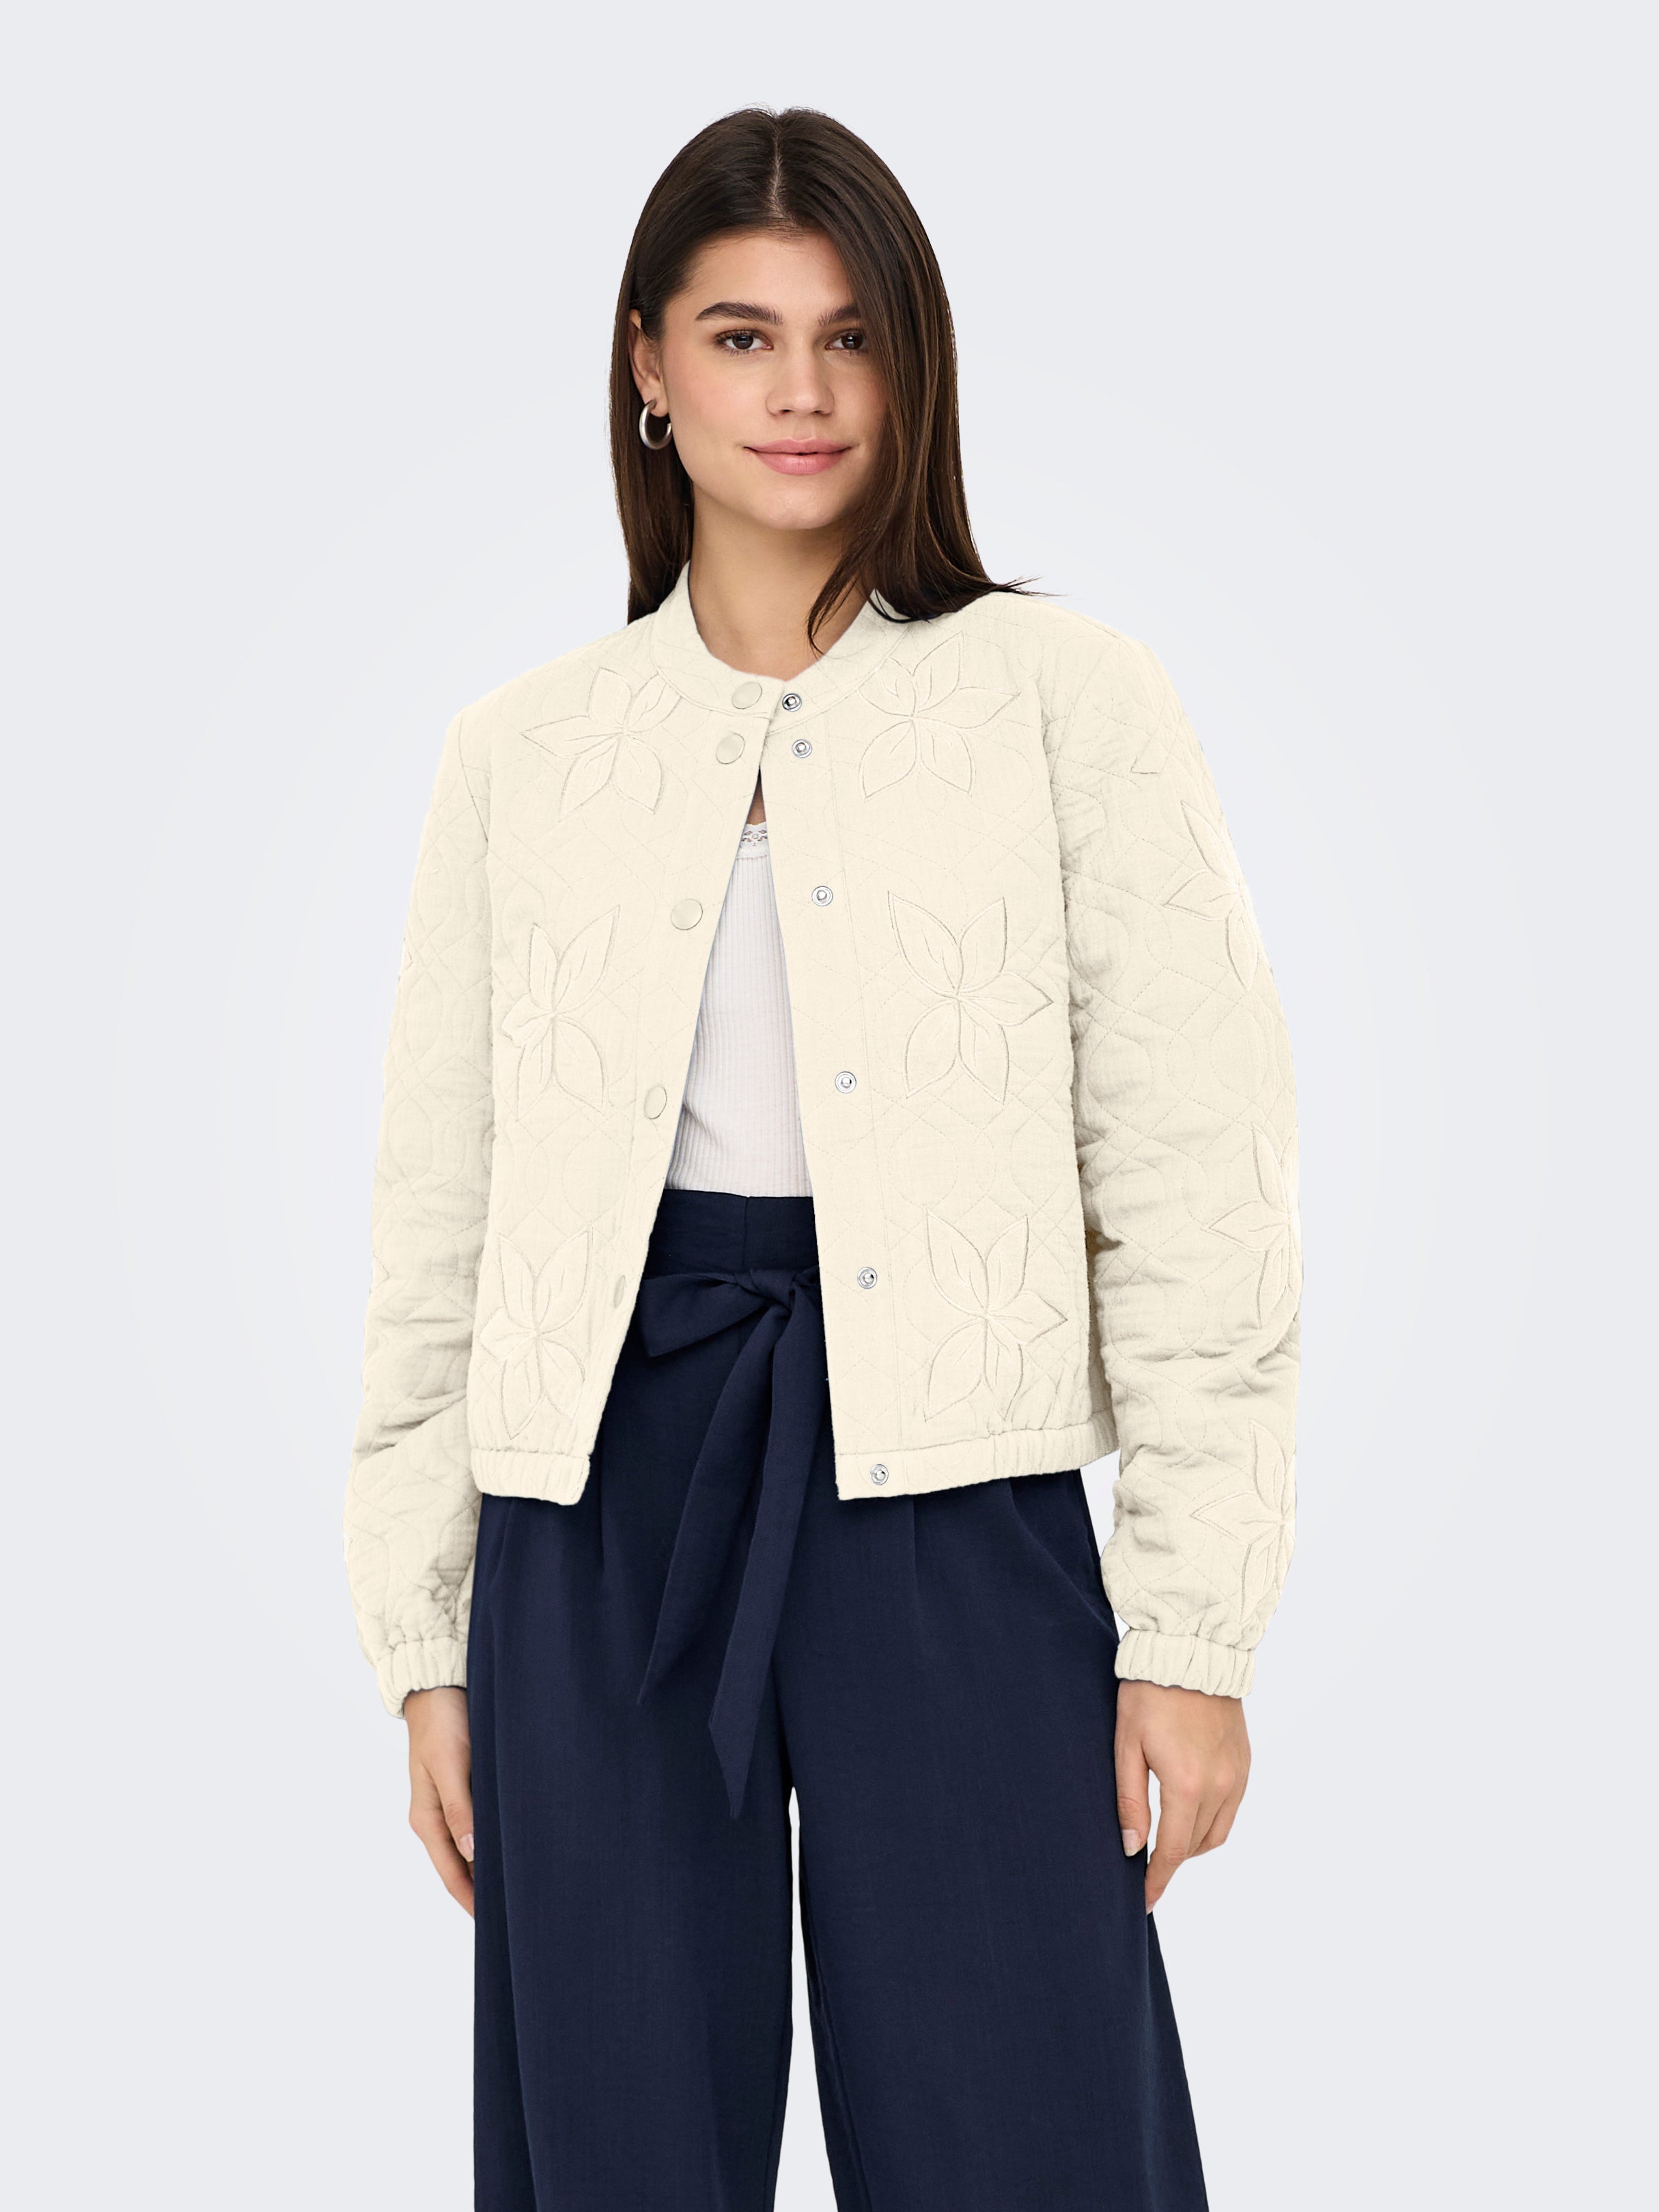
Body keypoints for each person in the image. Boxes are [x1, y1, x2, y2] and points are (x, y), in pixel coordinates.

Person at [344, 103, 1300, 2212]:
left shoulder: (1063, 697)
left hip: (955, 1486)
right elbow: (443, 1210)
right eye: (743, 335)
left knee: (1027, 2114)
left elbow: (1199, 1171)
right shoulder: (524, 752)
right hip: (598, 1498)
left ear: (911, 365)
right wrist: (428, 1637)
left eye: (850, 337)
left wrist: (1193, 1631)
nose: (801, 391)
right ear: (647, 366)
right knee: (615, 2132)